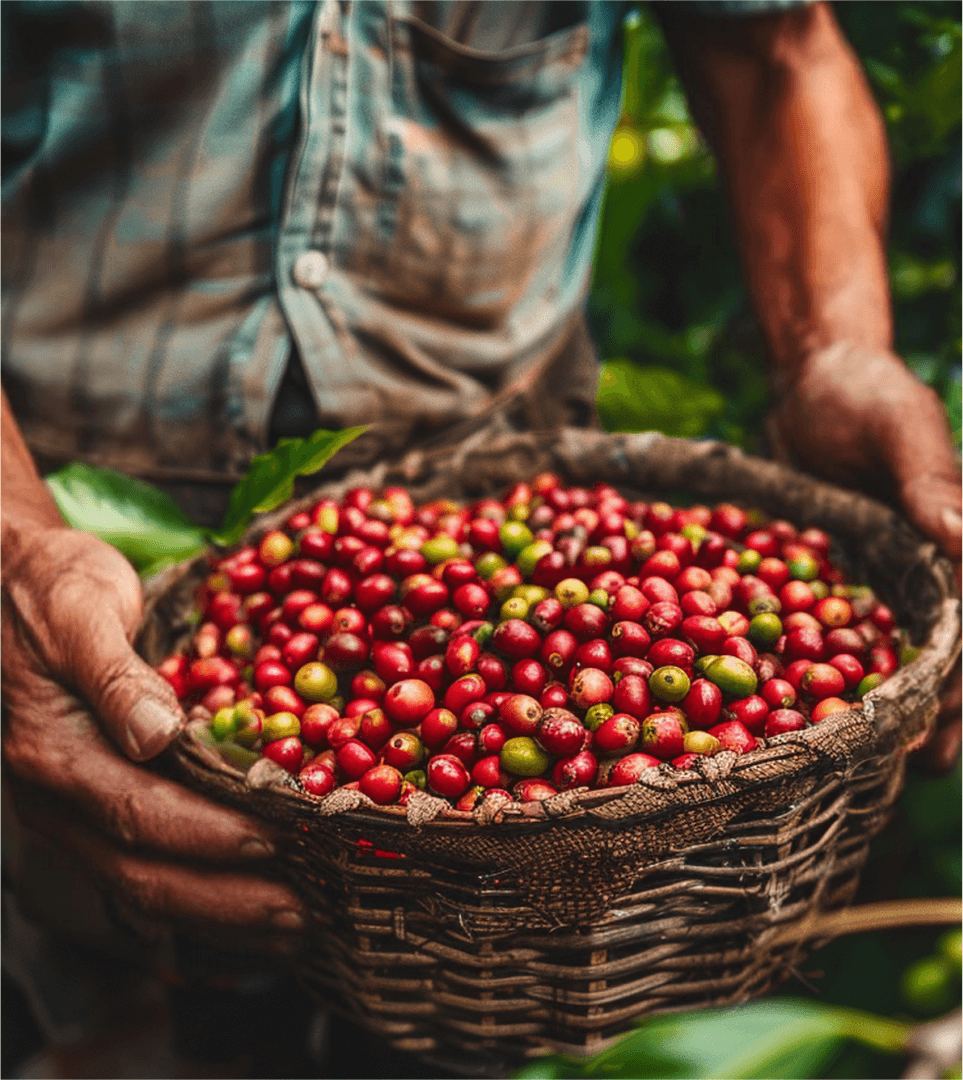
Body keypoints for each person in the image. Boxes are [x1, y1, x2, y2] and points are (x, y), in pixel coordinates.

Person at [2, 1, 960, 1075]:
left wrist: (835, 350)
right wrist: (11, 546)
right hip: (73, 578)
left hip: (508, 470)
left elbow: (772, 40)